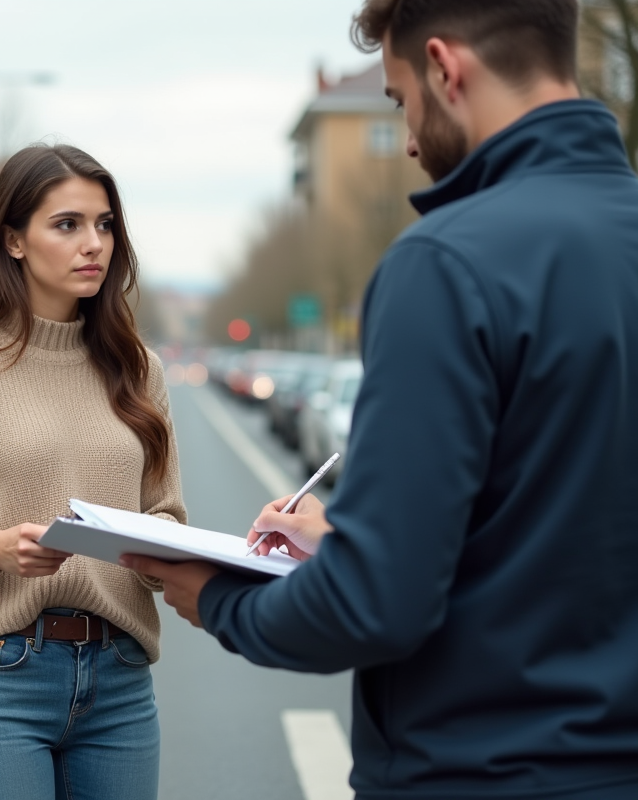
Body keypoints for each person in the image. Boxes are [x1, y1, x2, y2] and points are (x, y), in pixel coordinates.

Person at [125, 1, 638, 798]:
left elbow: (376, 608)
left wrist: (221, 600)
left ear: (445, 66)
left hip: (478, 772)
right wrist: (350, 542)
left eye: (399, 102)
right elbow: (561, 535)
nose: (404, 140)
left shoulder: (447, 264)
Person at [0, 144, 186, 800]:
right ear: (13, 240)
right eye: (67, 224)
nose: (93, 244)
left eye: (104, 225)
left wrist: (162, 554)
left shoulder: (139, 370)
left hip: (122, 681)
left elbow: (167, 515)